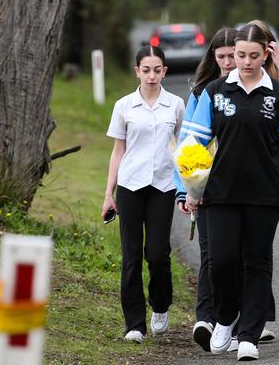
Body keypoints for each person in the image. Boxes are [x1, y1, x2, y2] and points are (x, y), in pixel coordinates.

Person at [182, 22, 279, 361]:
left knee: (258, 263)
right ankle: (225, 317)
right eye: (241, 55)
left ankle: (249, 337)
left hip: (264, 193)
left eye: (253, 56)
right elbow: (193, 143)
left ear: (265, 55)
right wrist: (189, 188)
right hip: (219, 193)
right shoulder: (214, 92)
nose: (245, 62)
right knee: (221, 261)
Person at [102, 45, 185, 343]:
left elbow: (184, 148)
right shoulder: (124, 106)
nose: (152, 76)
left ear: (165, 71)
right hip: (130, 186)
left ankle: (161, 305)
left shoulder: (175, 105)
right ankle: (134, 324)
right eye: (146, 70)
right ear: (137, 71)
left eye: (157, 70)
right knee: (132, 256)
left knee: (158, 254)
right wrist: (108, 194)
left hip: (163, 186)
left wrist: (189, 189)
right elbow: (117, 152)